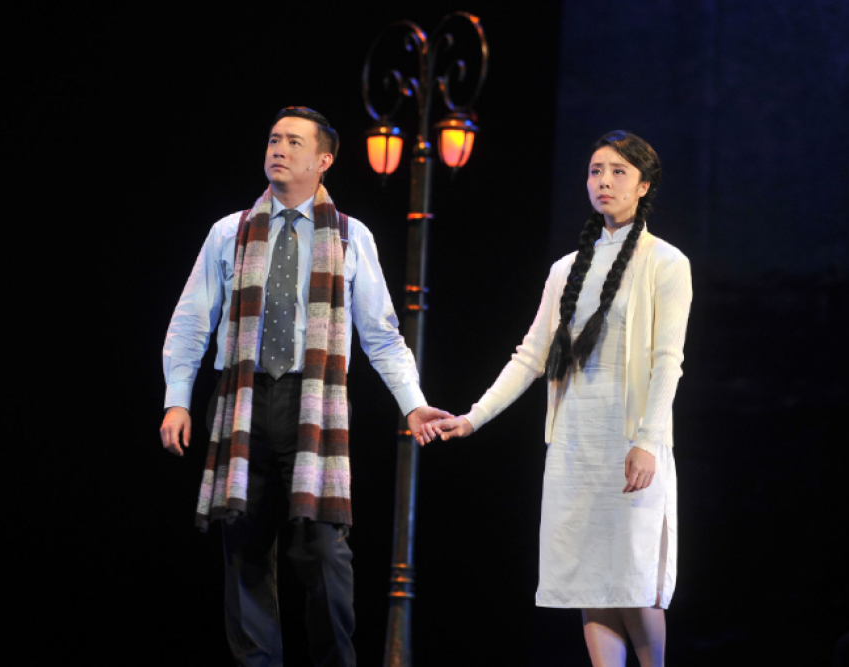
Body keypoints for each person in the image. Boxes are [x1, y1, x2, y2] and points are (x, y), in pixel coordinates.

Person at [159, 106, 448, 667]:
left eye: (294, 141)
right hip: (243, 401)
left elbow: (381, 334)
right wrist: (177, 400)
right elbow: (192, 321)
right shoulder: (229, 232)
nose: (279, 149)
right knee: (244, 550)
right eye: (274, 139)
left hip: (312, 403)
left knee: (323, 553)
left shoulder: (350, 236)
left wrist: (412, 405)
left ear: (323, 160)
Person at [435, 131, 692, 667]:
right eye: (596, 170)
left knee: (633, 579)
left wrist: (647, 441)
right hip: (576, 444)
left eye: (618, 172)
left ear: (644, 185)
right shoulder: (565, 269)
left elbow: (668, 361)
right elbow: (531, 356)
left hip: (630, 441)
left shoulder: (666, 262)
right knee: (588, 580)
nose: (604, 181)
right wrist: (474, 417)